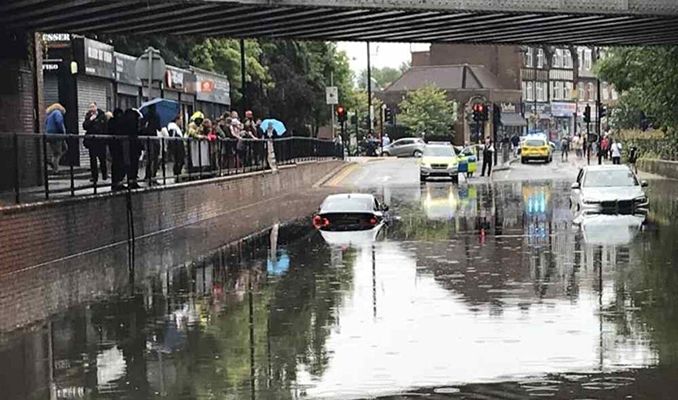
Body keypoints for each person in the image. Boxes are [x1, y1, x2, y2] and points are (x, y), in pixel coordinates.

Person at [83, 102, 109, 182]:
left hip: (101, 141)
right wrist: (90, 120)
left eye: (93, 106)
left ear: (96, 107)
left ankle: (104, 175)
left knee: (102, 159)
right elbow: (85, 126)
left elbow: (105, 127)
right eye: (90, 107)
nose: (92, 108)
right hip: (92, 141)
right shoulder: (88, 116)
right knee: (93, 160)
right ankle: (94, 177)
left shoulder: (102, 115)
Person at [45, 103, 67, 172]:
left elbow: (45, 124)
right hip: (57, 135)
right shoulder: (57, 113)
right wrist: (62, 131)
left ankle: (52, 162)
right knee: (58, 153)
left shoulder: (49, 115)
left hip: (49, 135)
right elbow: (59, 122)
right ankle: (55, 168)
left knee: (62, 149)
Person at [108, 108, 126, 191]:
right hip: (117, 146)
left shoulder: (112, 122)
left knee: (117, 164)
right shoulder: (114, 122)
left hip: (116, 146)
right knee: (118, 164)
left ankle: (117, 182)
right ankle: (116, 183)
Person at [167, 115, 185, 180]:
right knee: (178, 161)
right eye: (180, 120)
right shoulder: (173, 127)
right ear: (177, 120)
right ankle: (176, 175)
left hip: (179, 146)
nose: (181, 122)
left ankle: (178, 174)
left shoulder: (177, 128)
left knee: (181, 161)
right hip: (177, 146)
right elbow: (173, 137)